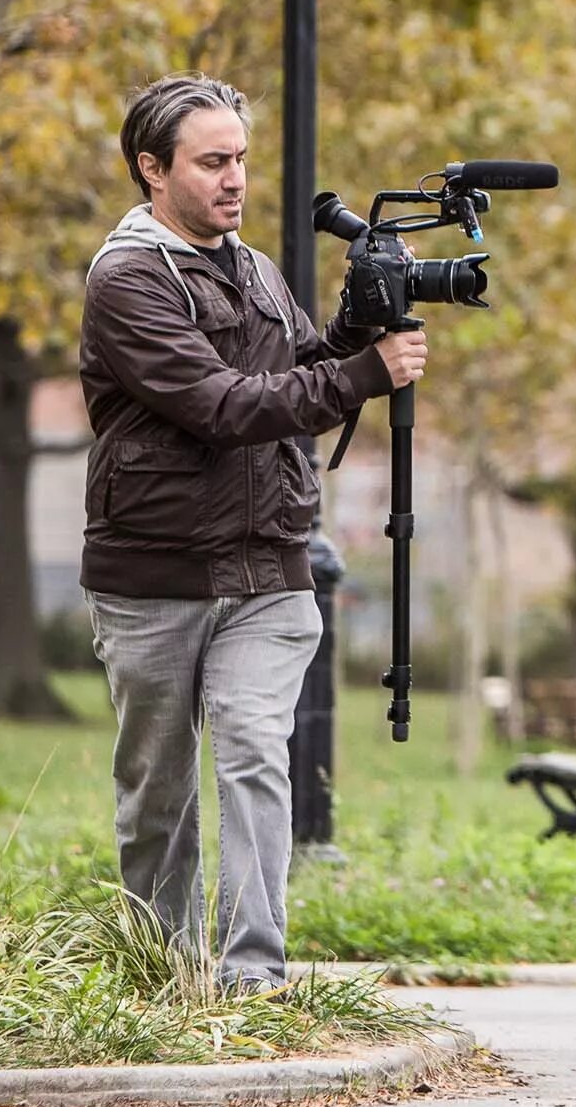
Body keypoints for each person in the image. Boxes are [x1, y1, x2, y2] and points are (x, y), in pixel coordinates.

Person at [77, 73, 427, 992]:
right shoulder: (126, 281)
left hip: (267, 569)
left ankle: (252, 978)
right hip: (153, 575)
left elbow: (303, 365)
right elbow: (222, 406)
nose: (236, 179)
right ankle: (163, 975)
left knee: (253, 753)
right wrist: (366, 378)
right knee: (158, 791)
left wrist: (359, 320)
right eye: (213, 162)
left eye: (242, 160)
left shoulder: (258, 267)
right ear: (152, 169)